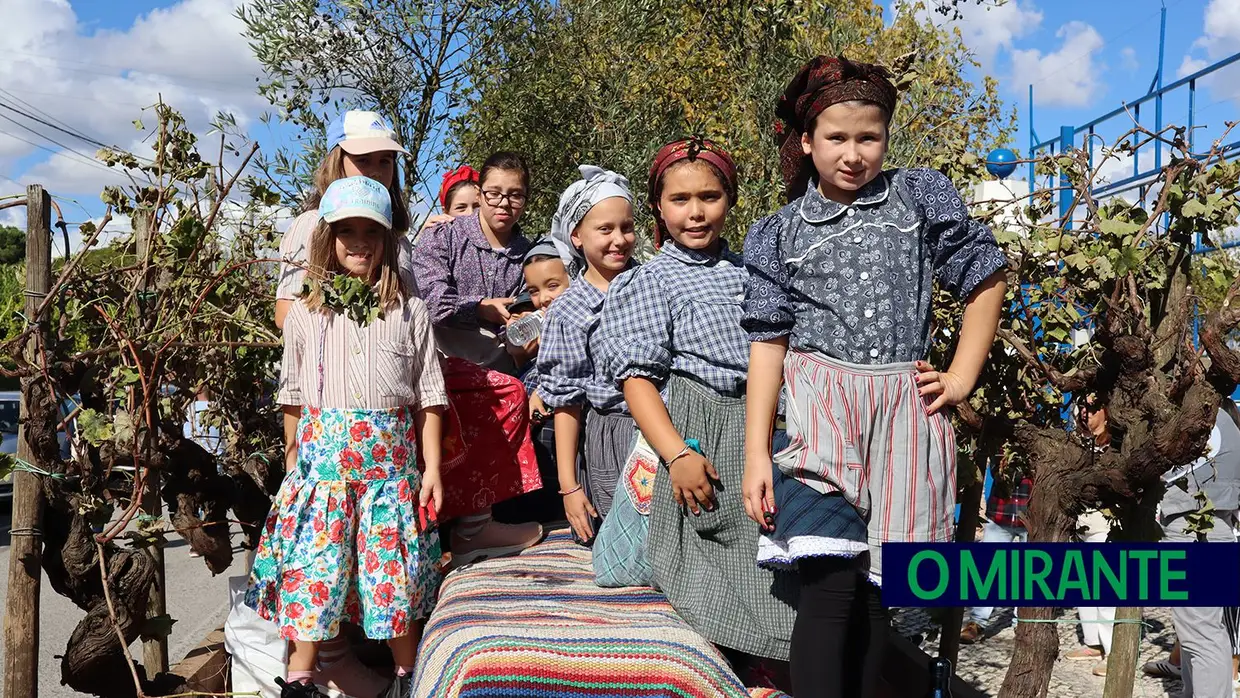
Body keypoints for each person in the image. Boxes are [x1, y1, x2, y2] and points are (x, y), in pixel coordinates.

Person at [740, 56, 1008, 698]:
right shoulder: (779, 234)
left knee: (881, 601)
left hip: (903, 419)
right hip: (820, 423)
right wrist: (755, 452)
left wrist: (962, 375)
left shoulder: (917, 199)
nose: (854, 153)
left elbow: (986, 275)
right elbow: (767, 347)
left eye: (870, 136)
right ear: (807, 142)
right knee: (828, 591)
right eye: (837, 137)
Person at [272, 116, 541, 584]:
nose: (376, 169)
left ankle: (470, 526)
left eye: (385, 161)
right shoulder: (313, 224)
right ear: (339, 160)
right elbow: (288, 314)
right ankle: (460, 529)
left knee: (500, 391)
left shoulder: (395, 233)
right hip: (349, 385)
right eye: (364, 160)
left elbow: (410, 305)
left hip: (406, 366)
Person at [595, 138, 798, 664]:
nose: (696, 212)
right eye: (680, 199)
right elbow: (636, 380)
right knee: (714, 574)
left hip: (761, 429)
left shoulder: (753, 271)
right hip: (697, 430)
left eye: (709, 196)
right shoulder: (647, 280)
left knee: (776, 570)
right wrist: (678, 456)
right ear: (659, 207)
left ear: (729, 198)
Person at [247, 177, 447, 698]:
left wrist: (432, 471)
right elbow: (293, 396)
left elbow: (428, 397)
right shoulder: (308, 315)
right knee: (315, 573)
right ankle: (300, 679)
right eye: (346, 232)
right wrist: (294, 467)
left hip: (390, 479)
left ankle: (411, 677)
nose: (359, 243)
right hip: (324, 477)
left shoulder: (411, 311)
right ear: (327, 240)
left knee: (393, 579)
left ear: (386, 240)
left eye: (371, 232)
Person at [538, 166, 638, 544]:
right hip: (610, 438)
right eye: (605, 229)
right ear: (576, 236)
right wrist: (569, 486)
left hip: (666, 431)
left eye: (626, 227)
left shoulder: (653, 284)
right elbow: (567, 403)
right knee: (624, 543)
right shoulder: (568, 310)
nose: (619, 239)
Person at [411, 151, 535, 374]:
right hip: (441, 378)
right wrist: (480, 308)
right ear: (479, 194)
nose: (504, 203)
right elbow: (429, 299)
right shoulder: (442, 237)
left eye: (515, 195)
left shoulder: (531, 257)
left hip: (506, 383)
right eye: (494, 193)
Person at [1159, 407, 1240, 697]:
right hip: (1215, 528)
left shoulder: (1193, 414)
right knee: (1201, 631)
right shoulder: (1227, 420)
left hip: (1192, 530)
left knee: (1202, 634)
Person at [960, 468, 1032, 644]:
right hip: (1001, 513)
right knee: (988, 568)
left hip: (1031, 515)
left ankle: (1022, 622)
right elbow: (995, 469)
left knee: (1028, 571)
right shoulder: (1002, 443)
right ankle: (977, 621)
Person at [418, 166, 481, 237]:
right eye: (461, 208)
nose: (470, 213)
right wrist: (424, 237)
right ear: (446, 212)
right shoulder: (439, 241)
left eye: (477, 206)